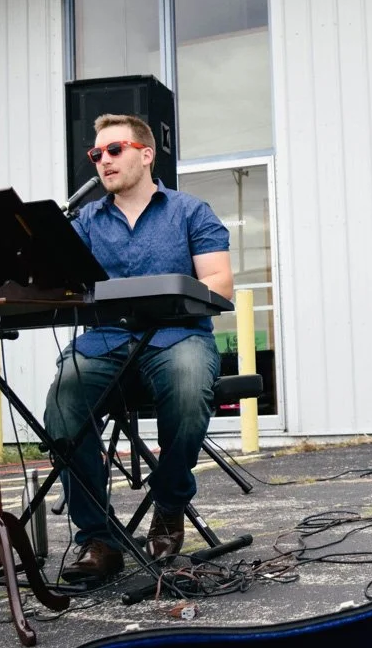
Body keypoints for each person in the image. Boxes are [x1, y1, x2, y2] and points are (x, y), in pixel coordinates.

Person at [44, 113, 232, 582]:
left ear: (145, 155)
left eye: (114, 150)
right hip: (106, 341)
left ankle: (169, 504)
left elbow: (219, 282)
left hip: (176, 335)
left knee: (189, 383)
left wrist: (170, 295)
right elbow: (63, 287)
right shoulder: (86, 221)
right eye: (96, 154)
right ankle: (98, 539)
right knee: (63, 402)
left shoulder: (190, 211)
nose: (102, 161)